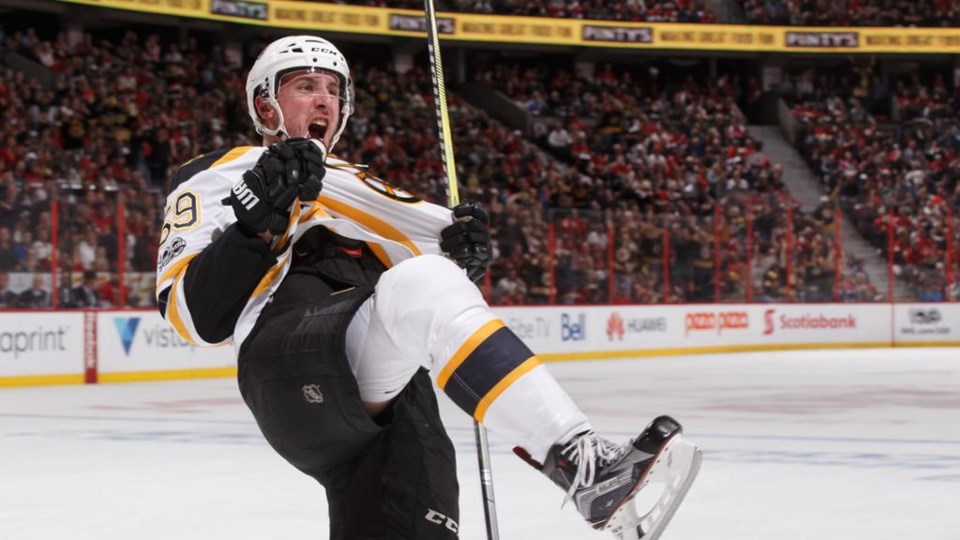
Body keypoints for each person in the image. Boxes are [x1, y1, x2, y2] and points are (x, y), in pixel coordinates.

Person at [156, 35, 700, 540]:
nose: (322, 99)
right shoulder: (222, 173)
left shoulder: (375, 197)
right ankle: (585, 466)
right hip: (288, 366)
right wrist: (253, 225)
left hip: (392, 396)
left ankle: (587, 471)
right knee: (424, 280)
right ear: (265, 106)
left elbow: (435, 304)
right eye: (303, 85)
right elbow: (193, 317)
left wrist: (461, 252)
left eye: (332, 89)